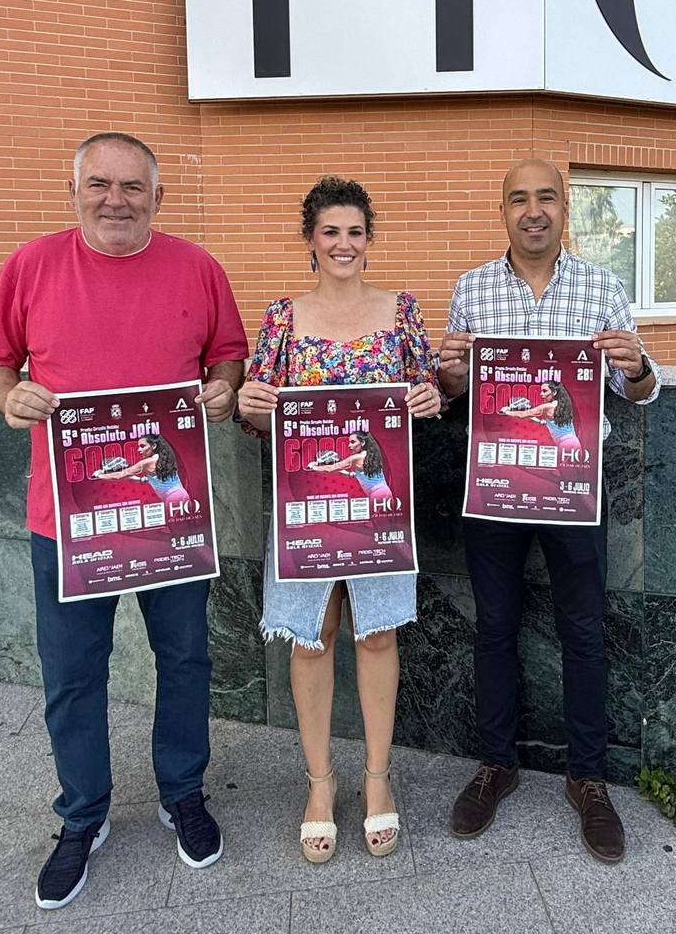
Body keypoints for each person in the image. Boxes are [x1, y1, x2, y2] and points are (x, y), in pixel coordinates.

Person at [0, 132, 248, 910]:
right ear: (75, 192)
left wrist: (222, 391)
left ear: (159, 198)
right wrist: (9, 398)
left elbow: (228, 354)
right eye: (99, 184)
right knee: (72, 677)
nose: (115, 199)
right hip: (68, 519)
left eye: (132, 187)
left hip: (169, 514)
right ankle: (82, 816)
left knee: (186, 661)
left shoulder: (198, 269)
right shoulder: (30, 267)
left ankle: (182, 793)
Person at [437, 157, 661, 864]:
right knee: (494, 627)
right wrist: (448, 371)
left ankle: (589, 779)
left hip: (572, 485)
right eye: (518, 200)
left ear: (566, 209)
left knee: (584, 631)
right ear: (501, 211)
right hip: (496, 488)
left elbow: (644, 390)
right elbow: (449, 390)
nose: (533, 211)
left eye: (546, 198)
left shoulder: (602, 287)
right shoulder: (471, 289)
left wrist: (635, 364)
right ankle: (495, 764)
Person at [236, 176, 443, 864]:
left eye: (355, 231)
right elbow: (253, 412)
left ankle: (378, 779)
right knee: (314, 637)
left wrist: (425, 399)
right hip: (306, 506)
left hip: (380, 501)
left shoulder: (402, 310)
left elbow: (431, 392)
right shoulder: (281, 319)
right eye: (331, 232)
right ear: (310, 242)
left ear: (368, 239)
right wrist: (253, 404)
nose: (344, 244)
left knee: (377, 634)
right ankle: (320, 786)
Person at [94, 433, 192, 508]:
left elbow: (119, 475)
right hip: (182, 495)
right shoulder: (164, 458)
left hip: (173, 498)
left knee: (178, 530)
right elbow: (130, 477)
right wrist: (141, 480)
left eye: (142, 446)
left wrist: (100, 475)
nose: (138, 450)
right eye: (138, 446)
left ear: (153, 446)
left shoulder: (146, 463)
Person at [499, 379, 583, 454]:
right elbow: (556, 424)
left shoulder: (546, 407)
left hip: (566, 445)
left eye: (544, 391)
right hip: (575, 443)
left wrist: (506, 411)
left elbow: (522, 415)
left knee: (565, 471)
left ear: (554, 392)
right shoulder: (563, 405)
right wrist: (539, 421)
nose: (541, 394)